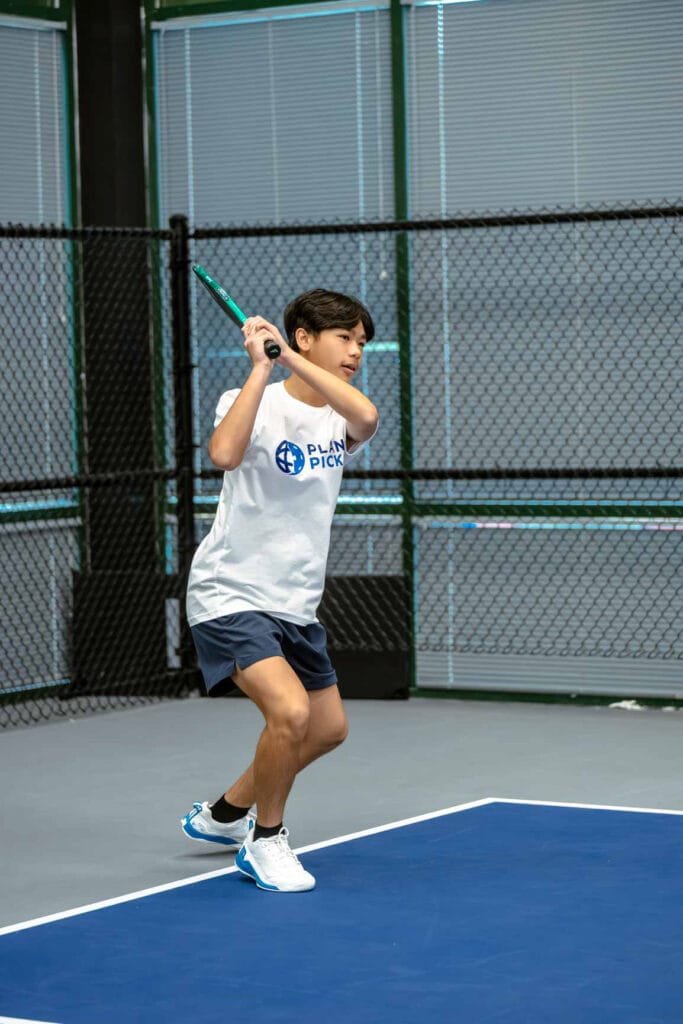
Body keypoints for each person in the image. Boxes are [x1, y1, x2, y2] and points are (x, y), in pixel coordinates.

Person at [180, 288, 378, 893]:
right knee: (289, 713)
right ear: (304, 336)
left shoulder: (341, 416)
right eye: (343, 338)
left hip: (295, 602)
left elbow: (366, 417)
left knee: (326, 729)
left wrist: (291, 359)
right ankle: (264, 843)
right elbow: (223, 453)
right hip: (230, 592)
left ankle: (225, 813)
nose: (355, 351)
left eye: (361, 342)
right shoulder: (248, 402)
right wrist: (261, 366)